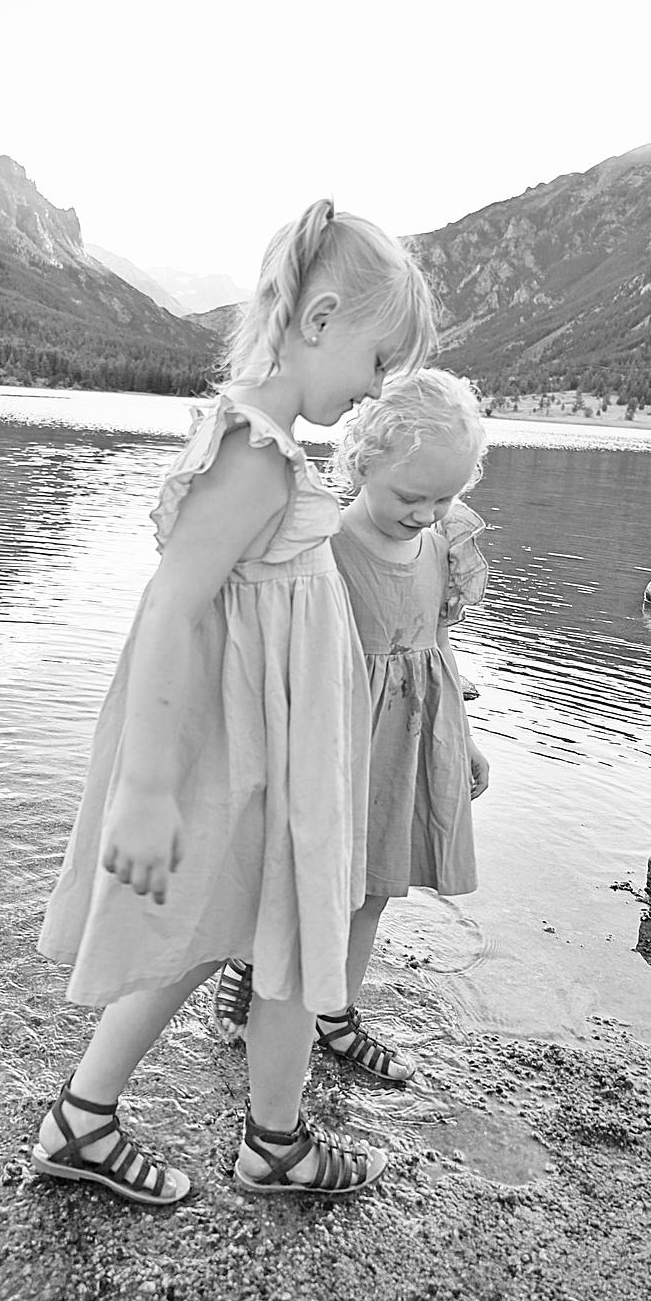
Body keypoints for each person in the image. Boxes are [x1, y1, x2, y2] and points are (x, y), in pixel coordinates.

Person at [31, 199, 437, 1204]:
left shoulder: (265, 442)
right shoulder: (255, 453)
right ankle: (275, 1144)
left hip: (266, 744)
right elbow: (174, 607)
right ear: (320, 320)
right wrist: (147, 791)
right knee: (292, 931)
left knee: (225, 931)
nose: (376, 386)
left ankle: (83, 1120)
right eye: (377, 361)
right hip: (250, 751)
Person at [213, 368, 490, 1084]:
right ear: (362, 464)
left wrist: (464, 737)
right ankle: (250, 964)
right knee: (305, 884)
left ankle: (335, 1013)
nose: (427, 513)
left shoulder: (443, 545)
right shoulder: (326, 545)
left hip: (405, 744)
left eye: (444, 498)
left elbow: (437, 641)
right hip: (335, 742)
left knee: (374, 889)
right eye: (410, 496)